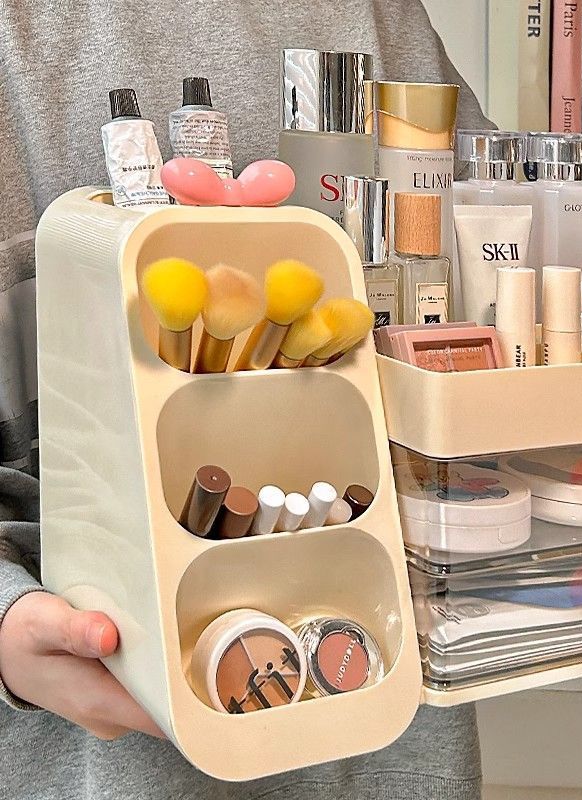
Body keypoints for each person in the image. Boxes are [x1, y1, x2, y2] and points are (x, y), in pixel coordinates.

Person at [0, 1, 492, 798]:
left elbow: (485, 292)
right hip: (105, 743)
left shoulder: (380, 15)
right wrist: (4, 620)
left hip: (382, 715)